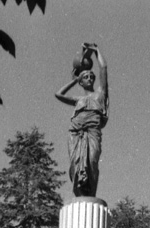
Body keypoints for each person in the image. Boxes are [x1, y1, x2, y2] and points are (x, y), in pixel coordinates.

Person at [55, 43, 108, 197]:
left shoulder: (100, 94)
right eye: (85, 77)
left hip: (92, 131)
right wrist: (74, 80)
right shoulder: (78, 99)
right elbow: (59, 94)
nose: (89, 78)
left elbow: (103, 69)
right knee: (76, 164)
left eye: (91, 77)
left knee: (92, 161)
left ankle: (90, 195)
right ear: (81, 81)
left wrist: (97, 51)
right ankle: (80, 194)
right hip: (76, 132)